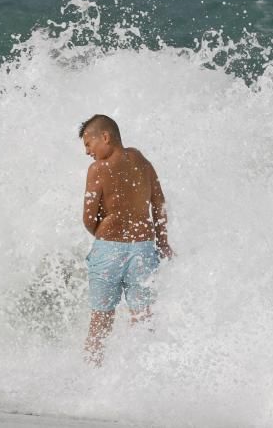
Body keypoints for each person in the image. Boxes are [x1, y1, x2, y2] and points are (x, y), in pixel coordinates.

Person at [79, 114, 172, 366]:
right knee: (143, 318)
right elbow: (159, 203)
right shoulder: (142, 162)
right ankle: (141, 377)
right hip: (143, 250)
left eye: (89, 144)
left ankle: (91, 376)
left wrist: (105, 234)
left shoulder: (98, 169)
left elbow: (88, 217)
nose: (87, 151)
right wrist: (162, 241)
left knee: (101, 319)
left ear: (105, 137)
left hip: (108, 250)